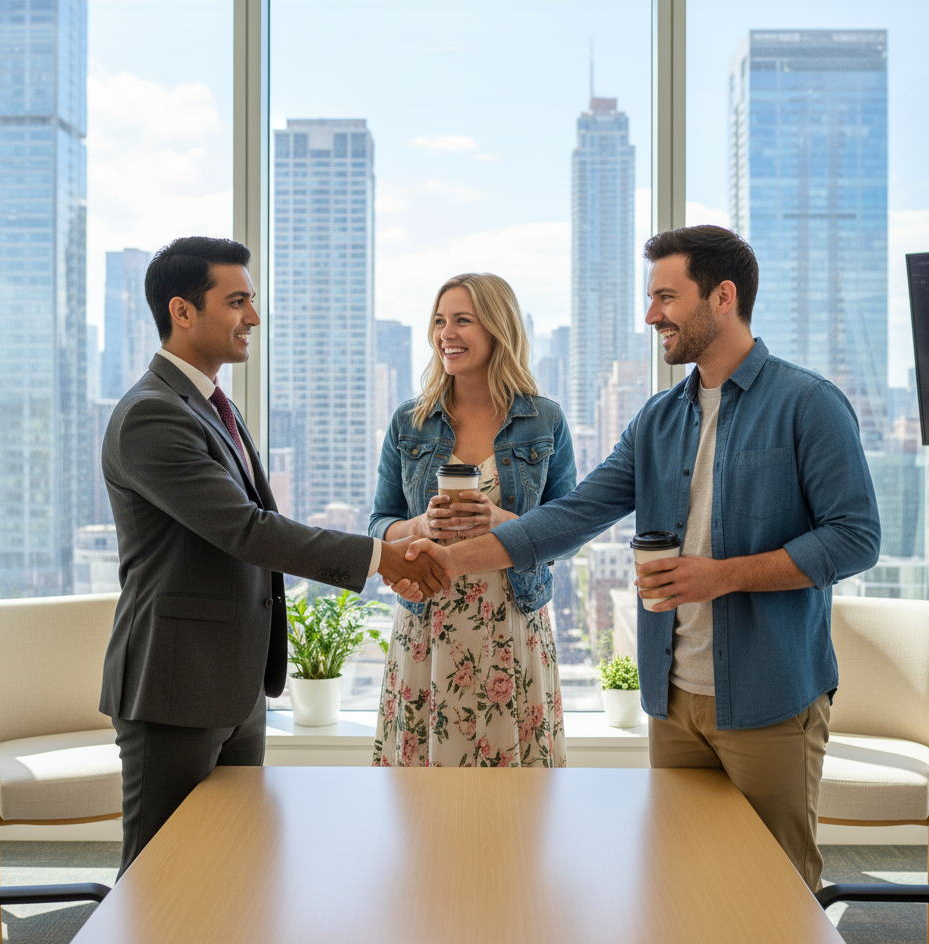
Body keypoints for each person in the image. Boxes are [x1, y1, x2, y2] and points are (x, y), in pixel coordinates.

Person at [405, 226, 881, 890]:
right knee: (682, 881)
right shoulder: (657, 418)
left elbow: (856, 537)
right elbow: (570, 517)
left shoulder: (808, 404)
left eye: (664, 296)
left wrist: (721, 576)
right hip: (673, 698)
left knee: (775, 890)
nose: (650, 314)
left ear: (722, 297)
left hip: (772, 696)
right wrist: (448, 562)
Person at [100, 236, 448, 875]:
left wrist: (392, 543)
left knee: (233, 866)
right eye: (237, 302)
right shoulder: (151, 416)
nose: (252, 318)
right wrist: (383, 557)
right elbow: (247, 530)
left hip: (236, 681)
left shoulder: (211, 406)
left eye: (251, 301)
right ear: (182, 311)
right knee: (158, 877)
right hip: (174, 684)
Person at [371, 273, 576, 768]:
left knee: (516, 807)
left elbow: (568, 534)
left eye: (462, 320)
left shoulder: (545, 421)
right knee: (422, 807)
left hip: (513, 622)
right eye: (440, 321)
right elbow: (380, 525)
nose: (446, 333)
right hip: (427, 627)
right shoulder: (409, 422)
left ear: (498, 329)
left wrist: (501, 519)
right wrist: (420, 527)